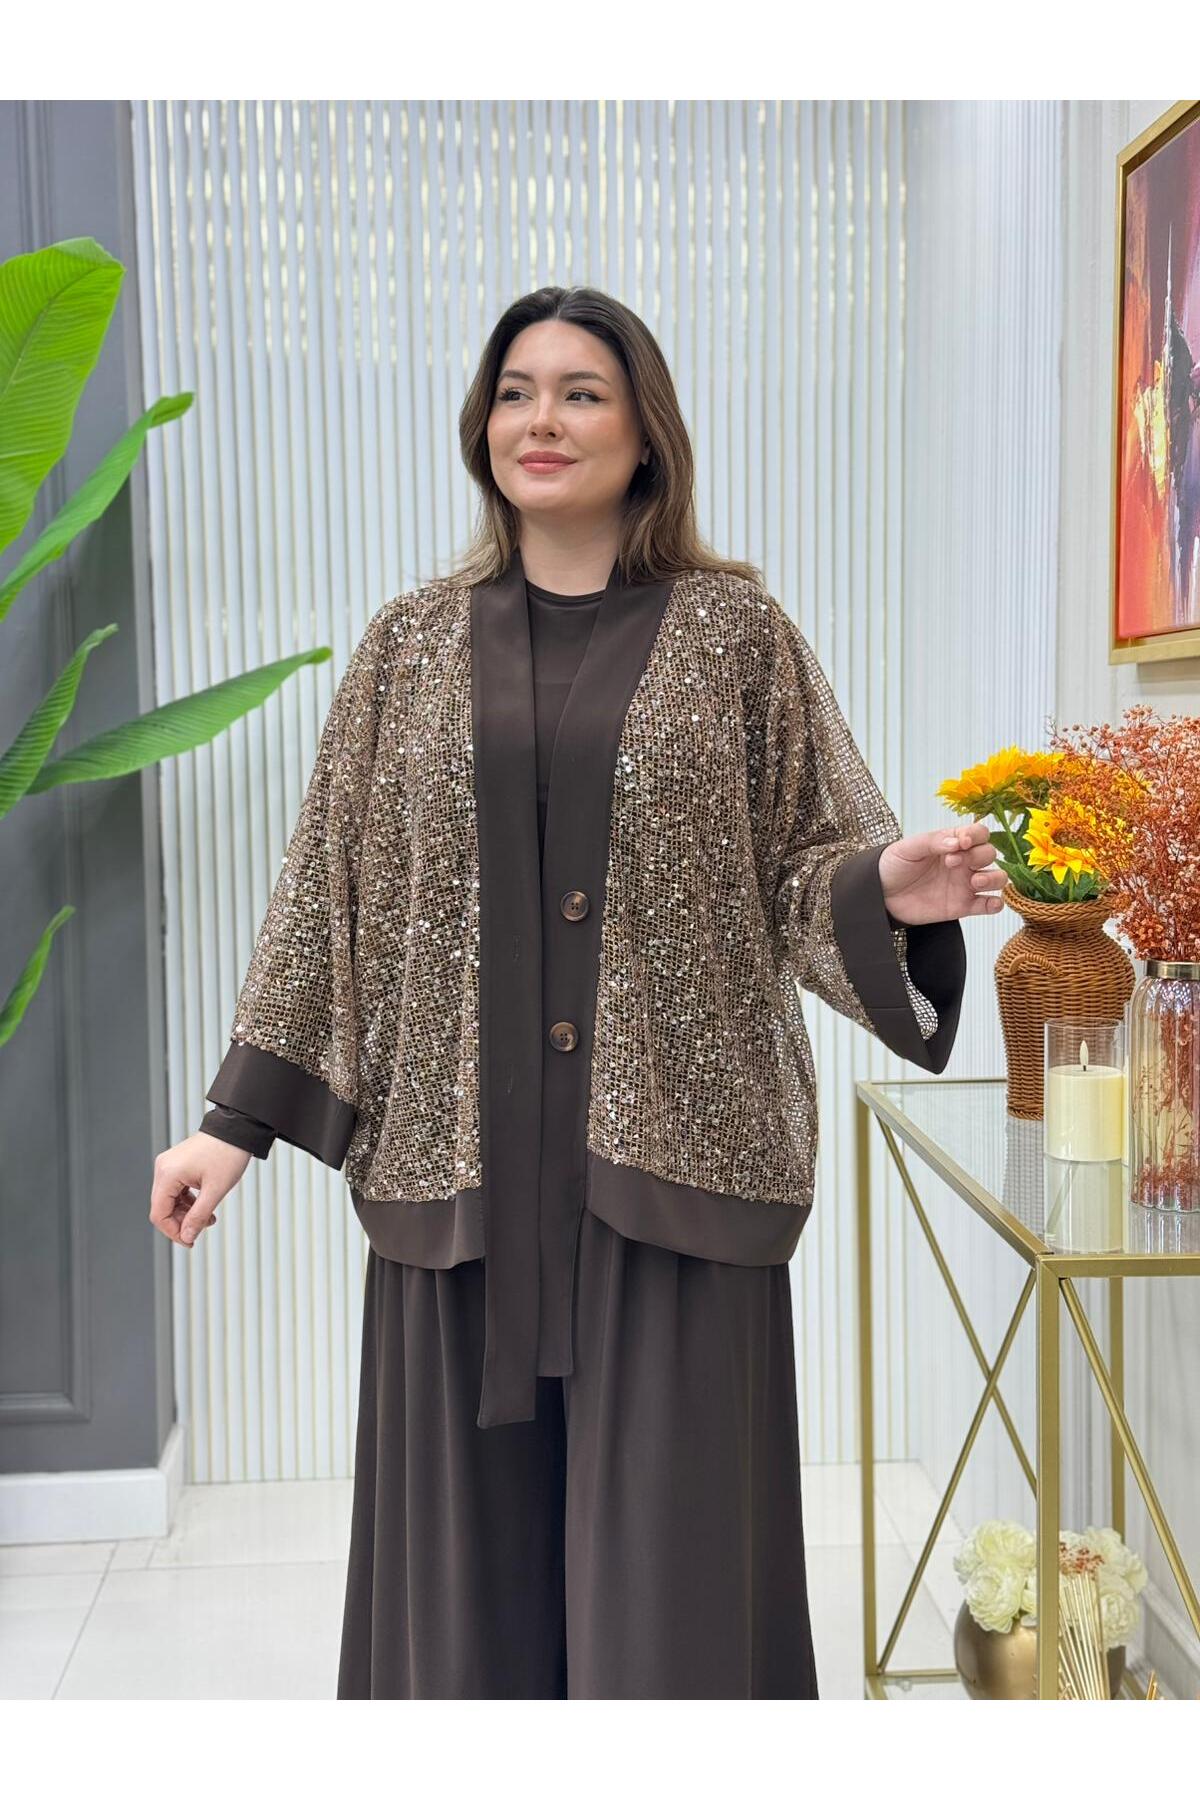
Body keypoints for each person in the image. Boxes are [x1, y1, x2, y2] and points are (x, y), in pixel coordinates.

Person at [149, 285, 1003, 1699]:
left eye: (581, 393)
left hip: (673, 1178)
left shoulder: (736, 635)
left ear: (645, 429)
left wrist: (885, 892)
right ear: (482, 428)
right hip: (459, 1187)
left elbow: (800, 864)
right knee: (463, 1629)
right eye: (515, 393)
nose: (540, 420)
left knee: (670, 1618)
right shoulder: (408, 646)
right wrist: (228, 1129)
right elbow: (327, 893)